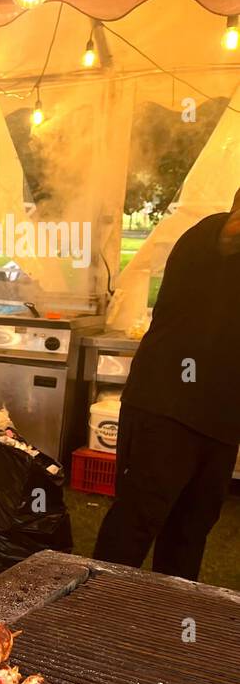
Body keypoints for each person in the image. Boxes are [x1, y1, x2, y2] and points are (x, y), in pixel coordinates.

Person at [93, 191, 240, 580]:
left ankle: (169, 619)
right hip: (166, 409)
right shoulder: (208, 236)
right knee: (137, 521)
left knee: (191, 532)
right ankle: (95, 609)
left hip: (221, 424)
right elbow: (228, 238)